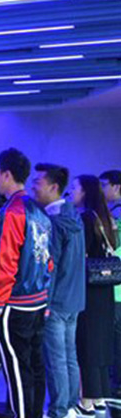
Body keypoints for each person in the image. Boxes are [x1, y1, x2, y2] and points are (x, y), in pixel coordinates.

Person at [0, 148, 52, 418]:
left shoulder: (12, 212)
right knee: (36, 367)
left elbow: (6, 261)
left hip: (15, 303)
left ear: (7, 174)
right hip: (38, 299)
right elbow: (49, 261)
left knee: (17, 370)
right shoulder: (39, 211)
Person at [32, 164, 85, 418]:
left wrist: (45, 302)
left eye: (38, 182)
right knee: (69, 356)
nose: (33, 186)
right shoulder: (74, 216)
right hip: (74, 298)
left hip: (56, 300)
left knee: (56, 360)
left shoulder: (53, 223)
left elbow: (49, 268)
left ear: (54, 187)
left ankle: (58, 410)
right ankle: (71, 405)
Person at [71, 175, 118, 415]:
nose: (72, 192)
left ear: (85, 192)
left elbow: (80, 254)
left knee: (86, 343)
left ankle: (86, 401)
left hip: (88, 288)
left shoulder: (86, 218)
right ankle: (100, 396)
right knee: (100, 343)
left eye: (75, 188)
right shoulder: (106, 218)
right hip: (105, 288)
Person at [100, 170, 121, 397]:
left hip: (115, 288)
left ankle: (116, 385)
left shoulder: (115, 215)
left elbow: (113, 249)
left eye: (104, 184)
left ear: (117, 187)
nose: (101, 189)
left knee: (115, 338)